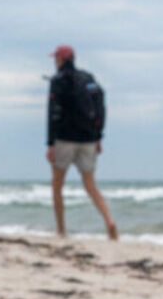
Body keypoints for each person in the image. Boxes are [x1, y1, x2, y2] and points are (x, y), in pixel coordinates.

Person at [47, 44, 118, 241]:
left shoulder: (57, 81)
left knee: (57, 185)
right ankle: (109, 221)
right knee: (90, 185)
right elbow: (100, 105)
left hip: (64, 139)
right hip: (88, 139)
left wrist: (50, 144)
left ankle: (61, 230)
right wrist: (98, 136)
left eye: (56, 59)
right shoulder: (88, 78)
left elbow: (52, 113)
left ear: (60, 60)